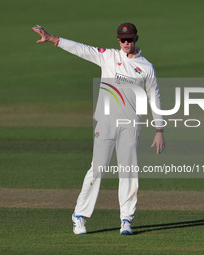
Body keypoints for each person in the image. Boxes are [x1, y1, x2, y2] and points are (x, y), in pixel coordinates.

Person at [32, 23, 165, 235]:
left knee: (129, 173)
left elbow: (154, 97)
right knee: (97, 169)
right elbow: (83, 49)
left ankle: (126, 220)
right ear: (118, 40)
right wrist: (54, 39)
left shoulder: (146, 67)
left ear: (136, 39)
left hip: (130, 126)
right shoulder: (109, 56)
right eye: (122, 40)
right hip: (106, 123)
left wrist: (159, 129)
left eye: (129, 39)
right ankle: (79, 216)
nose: (126, 43)